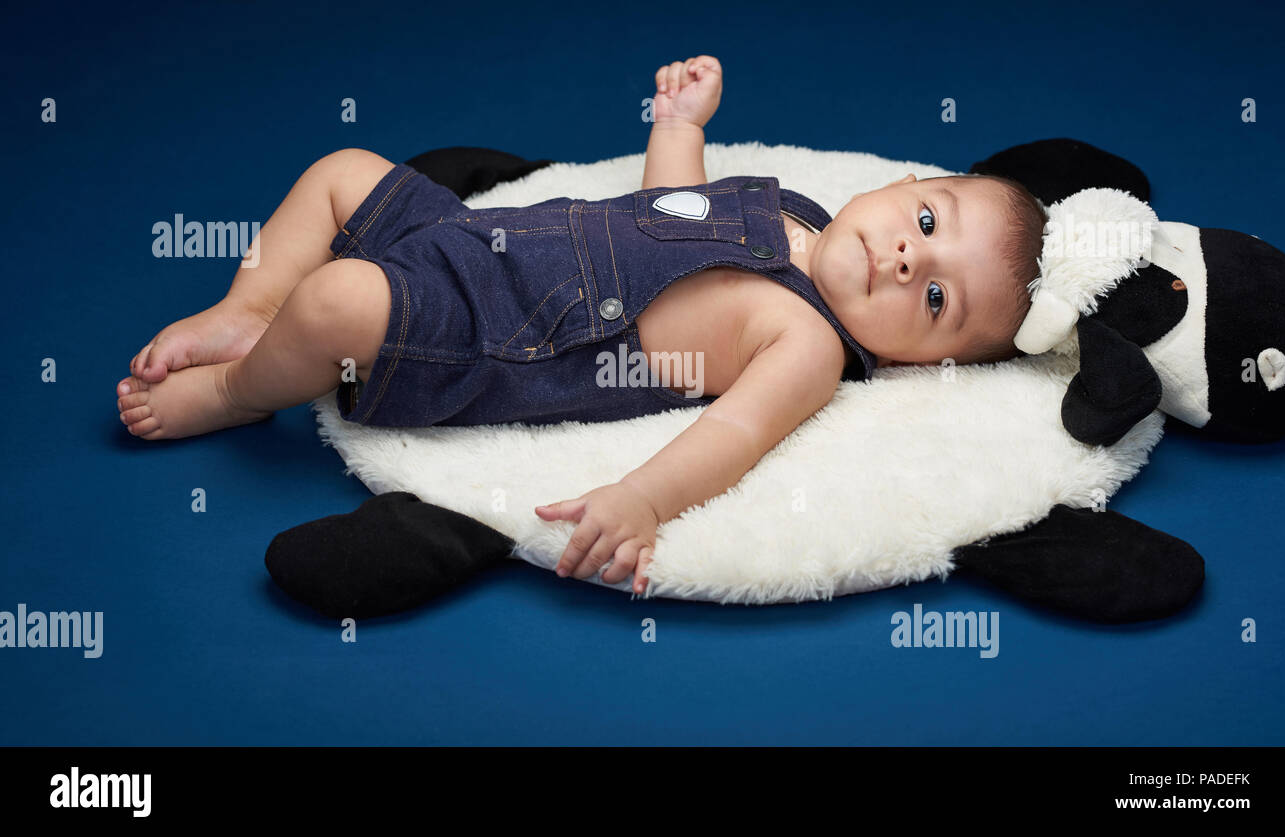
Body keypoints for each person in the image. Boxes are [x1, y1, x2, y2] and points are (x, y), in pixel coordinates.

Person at [115, 55, 1047, 596]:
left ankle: (239, 391)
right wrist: (679, 123)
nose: (907, 261)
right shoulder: (793, 206)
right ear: (905, 185)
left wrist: (642, 500)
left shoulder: (802, 340)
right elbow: (670, 210)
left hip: (494, 329)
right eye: (927, 224)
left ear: (915, 361)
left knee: (337, 302)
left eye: (936, 302)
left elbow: (732, 433)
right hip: (476, 237)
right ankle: (245, 310)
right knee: (341, 169)